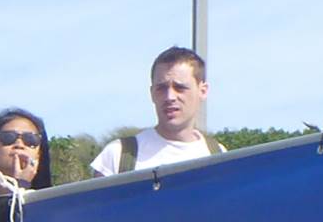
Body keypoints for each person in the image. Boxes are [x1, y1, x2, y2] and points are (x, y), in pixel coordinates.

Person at [89, 47, 223, 176]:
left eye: (180, 88)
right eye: (161, 88)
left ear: (202, 91)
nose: (169, 97)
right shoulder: (117, 156)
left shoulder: (219, 157)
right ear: (152, 93)